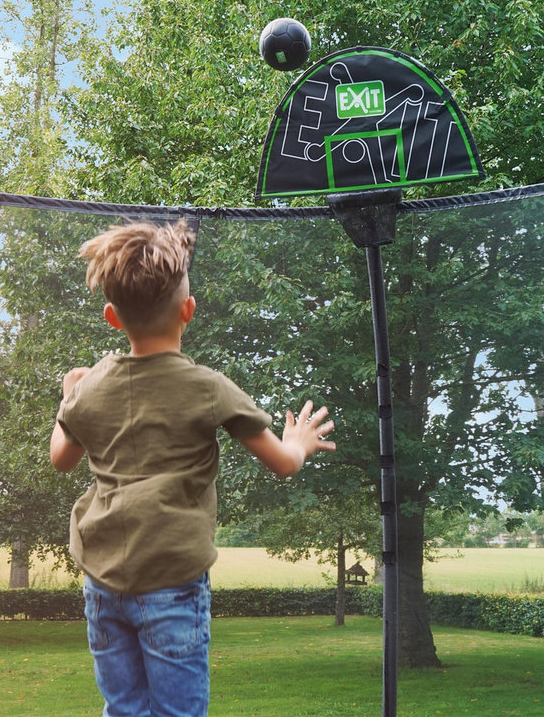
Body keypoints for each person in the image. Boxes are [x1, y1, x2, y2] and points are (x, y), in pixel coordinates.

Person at [49, 219, 335, 717]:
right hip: (172, 581)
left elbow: (62, 458)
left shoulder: (92, 385)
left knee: (123, 708)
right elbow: (283, 464)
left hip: (103, 582)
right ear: (189, 310)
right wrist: (300, 442)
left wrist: (68, 398)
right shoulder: (208, 387)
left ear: (112, 317)